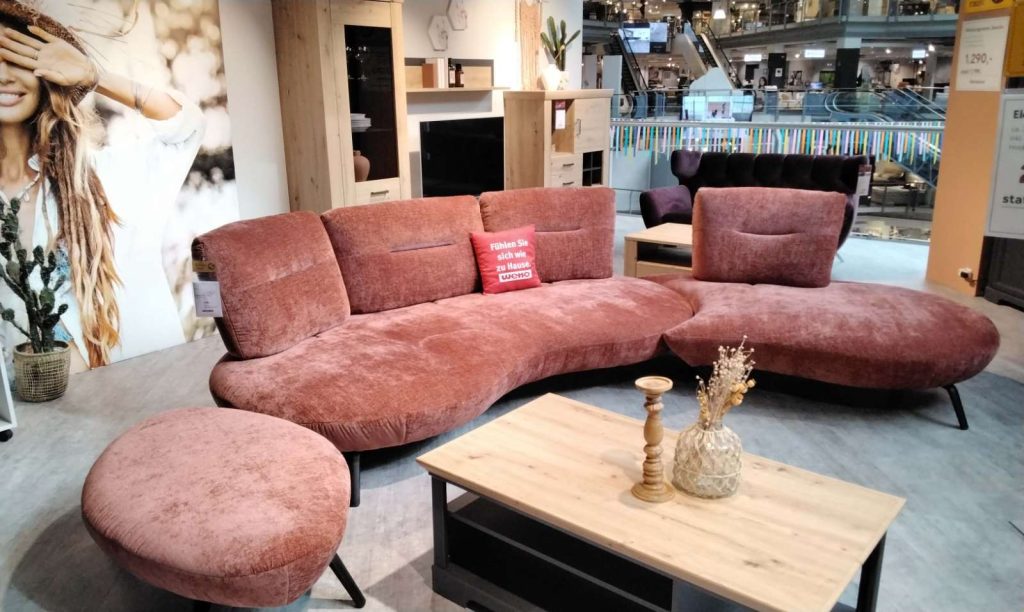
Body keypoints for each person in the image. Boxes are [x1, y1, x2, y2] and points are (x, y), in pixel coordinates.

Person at [0, 2, 204, 373]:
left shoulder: (105, 177)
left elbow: (185, 129)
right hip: (24, 403)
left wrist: (95, 76)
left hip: (132, 391)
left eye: (17, 57)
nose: (3, 76)